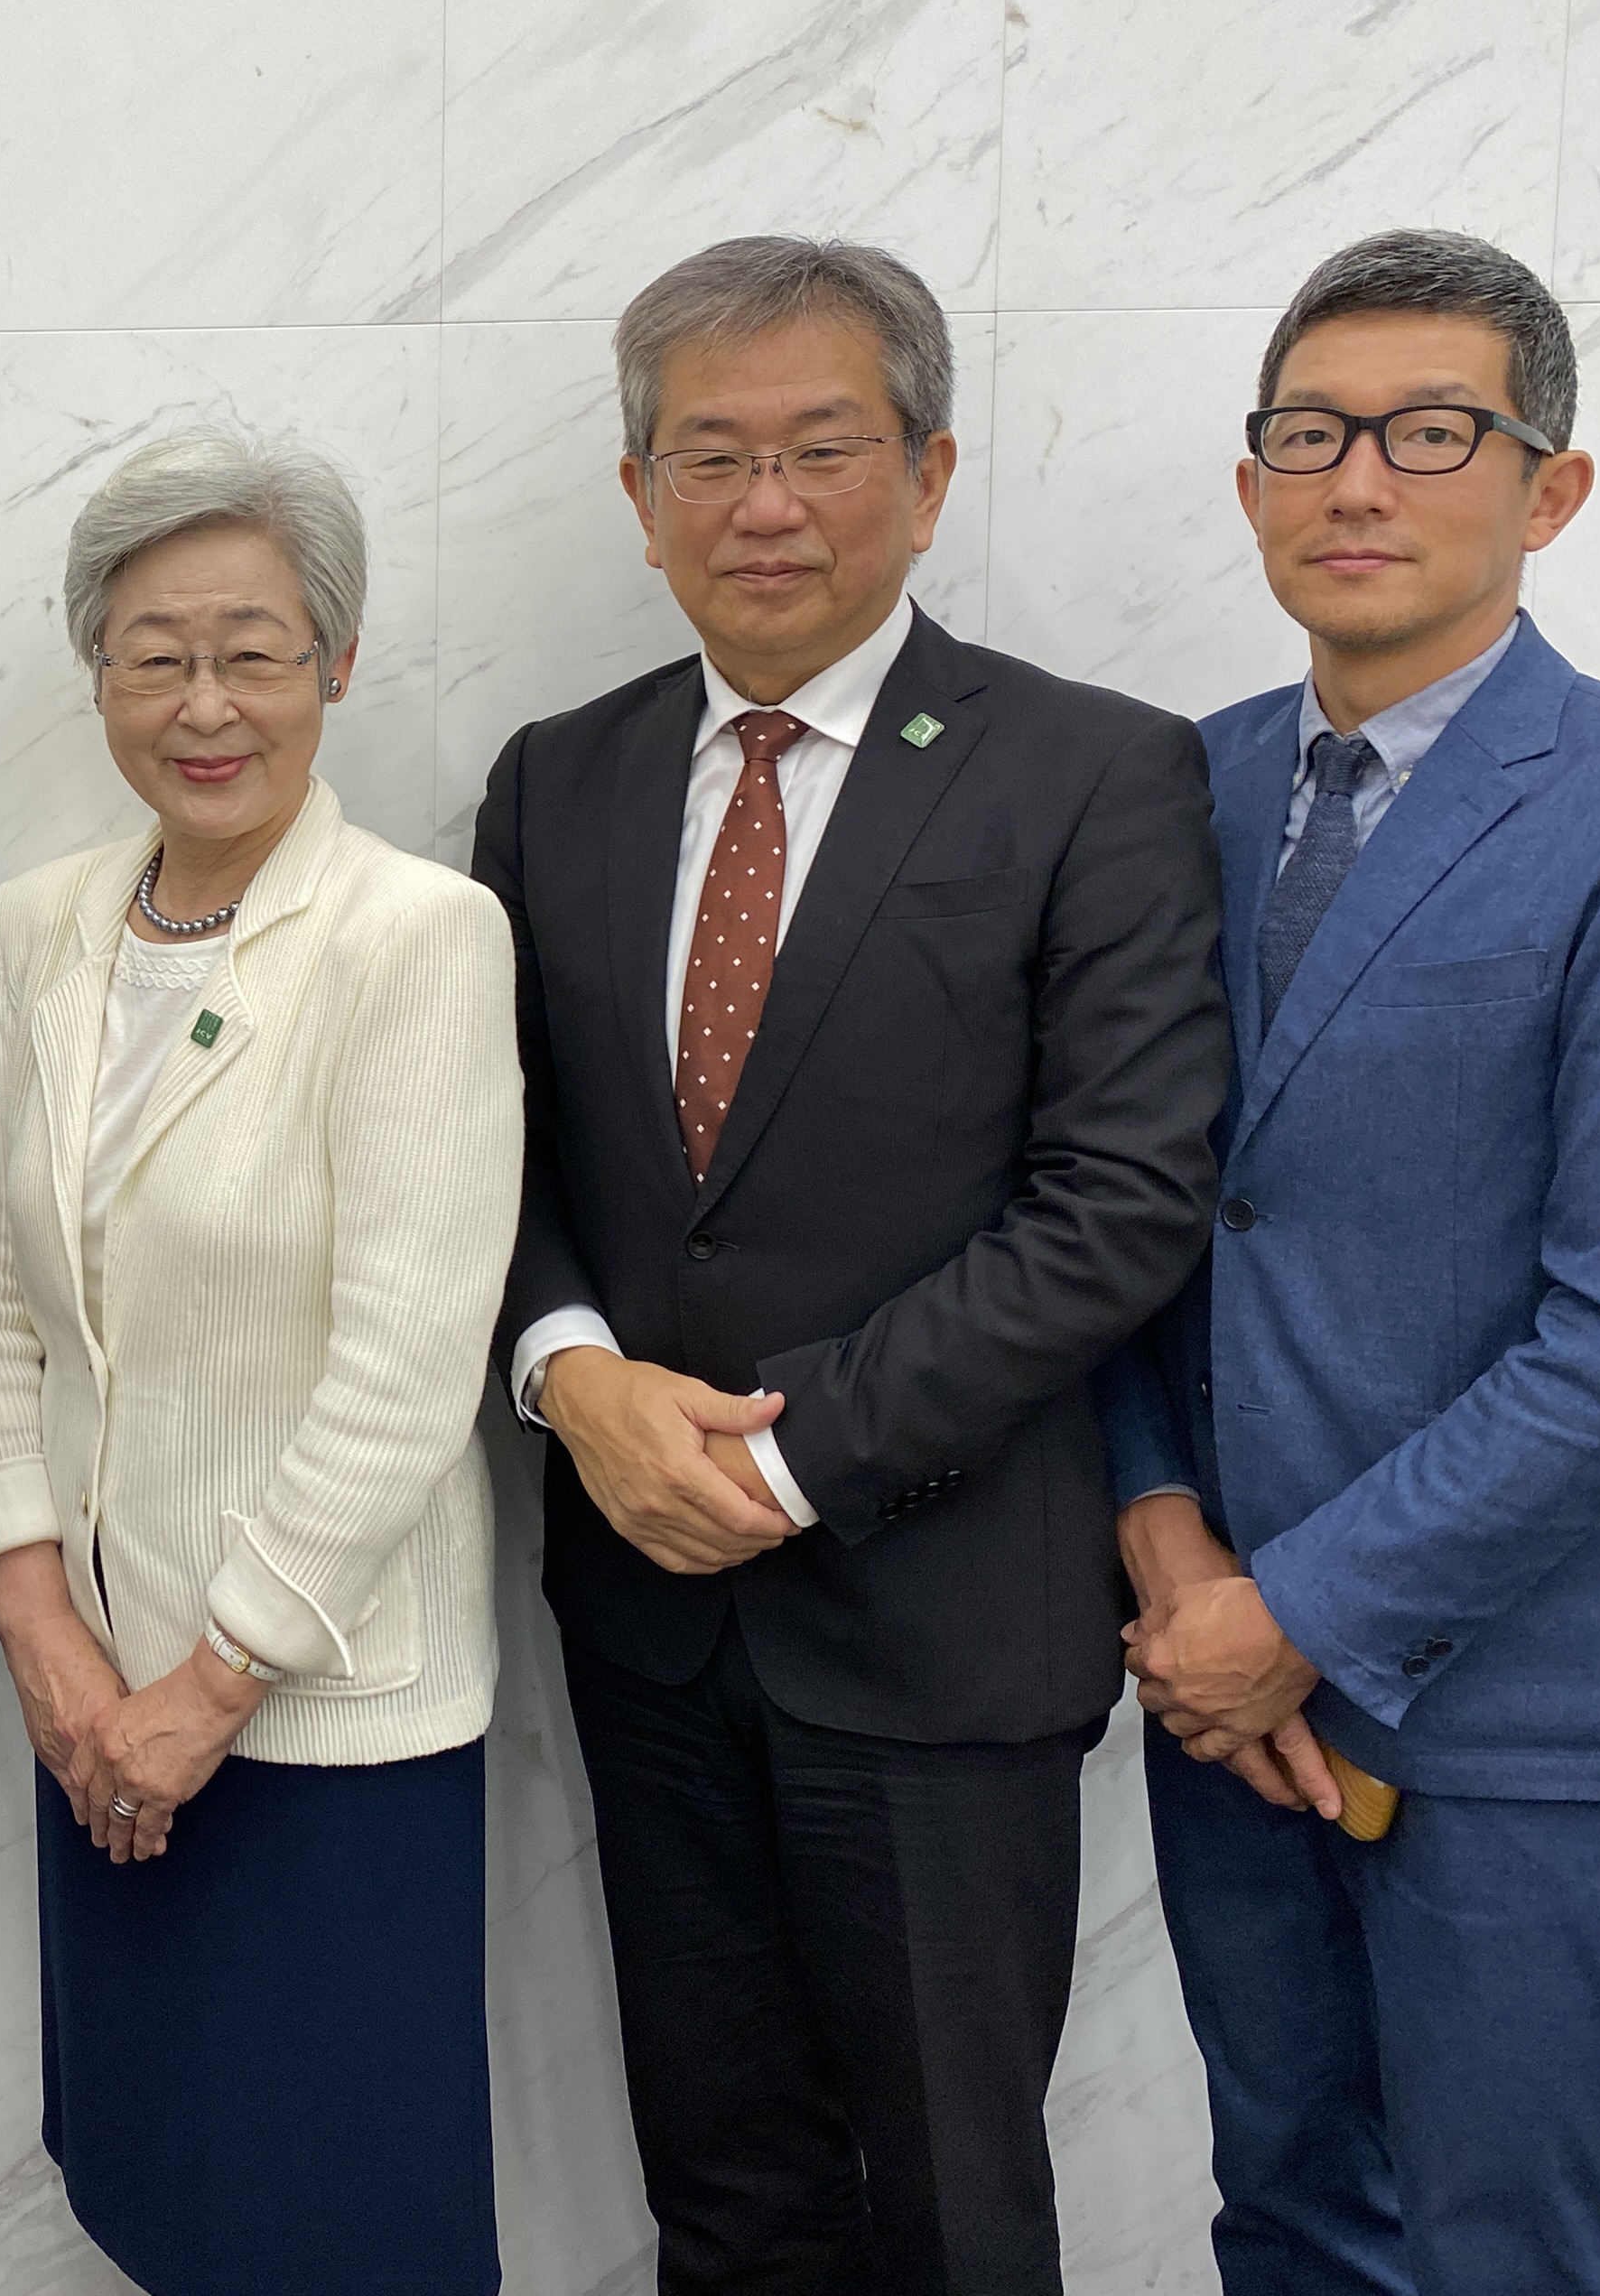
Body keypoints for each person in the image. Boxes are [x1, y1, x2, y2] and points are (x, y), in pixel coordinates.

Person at [476, 236, 1232, 2294]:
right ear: (639, 498)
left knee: (956, 2216)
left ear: (930, 471)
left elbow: (1121, 1197)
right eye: (709, 457)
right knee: (724, 2202)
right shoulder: (558, 778)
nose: (767, 506)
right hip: (646, 1623)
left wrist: (784, 1456)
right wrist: (571, 1375)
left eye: (821, 450)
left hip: (939, 1617)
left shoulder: (1094, 769)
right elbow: (484, 1154)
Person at [1103, 230, 1600, 2296]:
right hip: (1223, 1703)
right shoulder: (1170, 793)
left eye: (1432, 433)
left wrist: (1301, 1617)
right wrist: (1169, 1551)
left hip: (1535, 1731)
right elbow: (1112, 1220)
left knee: (1522, 2263)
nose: (1359, 481)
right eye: (1311, 435)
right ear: (1251, 480)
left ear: (1553, 488)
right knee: (1291, 2233)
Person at [0, 431, 519, 2296]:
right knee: (168, 2189)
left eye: (254, 652)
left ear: (335, 662)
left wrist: (212, 1682)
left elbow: (409, 1369)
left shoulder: (416, 937)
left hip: (317, 1714)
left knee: (343, 2213)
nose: (204, 705)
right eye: (154, 655)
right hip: (95, 1703)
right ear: (95, 671)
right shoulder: (44, 925)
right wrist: (38, 1617)